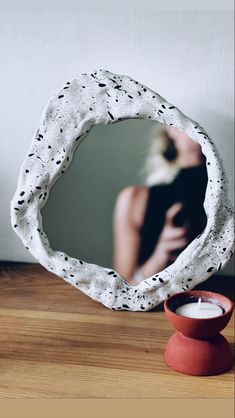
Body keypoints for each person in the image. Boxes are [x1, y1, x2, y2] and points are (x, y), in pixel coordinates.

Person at [113, 126, 208, 286]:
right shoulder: (134, 200)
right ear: (170, 128)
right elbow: (123, 289)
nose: (200, 129)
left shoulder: (225, 196)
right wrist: (161, 255)